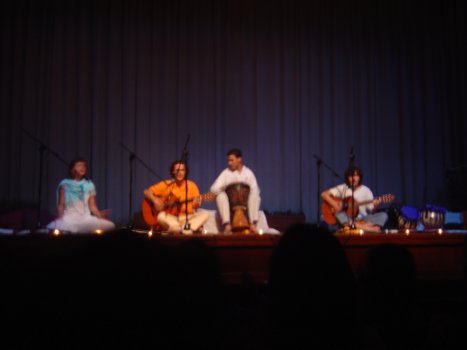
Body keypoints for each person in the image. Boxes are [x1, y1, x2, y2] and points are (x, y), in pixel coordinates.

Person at [46, 157, 115, 233]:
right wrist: (59, 219)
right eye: (79, 165)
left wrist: (100, 217)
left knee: (110, 225)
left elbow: (93, 206)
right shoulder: (64, 184)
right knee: (56, 228)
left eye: (84, 166)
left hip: (85, 218)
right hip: (70, 218)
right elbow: (61, 205)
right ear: (72, 169)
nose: (83, 167)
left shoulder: (89, 184)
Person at [143, 160, 209, 234]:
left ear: (185, 172)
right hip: (172, 218)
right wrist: (155, 200)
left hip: (187, 218)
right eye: (177, 170)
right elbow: (146, 192)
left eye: (182, 170)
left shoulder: (192, 186)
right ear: (173, 172)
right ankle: (186, 229)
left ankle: (178, 229)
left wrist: (196, 203)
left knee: (205, 214)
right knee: (160, 217)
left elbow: (196, 205)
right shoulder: (167, 184)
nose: (180, 173)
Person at [321, 165, 388, 232]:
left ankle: (358, 227)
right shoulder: (343, 188)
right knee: (339, 214)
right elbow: (324, 194)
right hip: (348, 218)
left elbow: (371, 211)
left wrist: (376, 205)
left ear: (359, 177)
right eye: (351, 176)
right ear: (348, 178)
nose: (354, 178)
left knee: (383, 215)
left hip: (363, 219)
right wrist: (335, 204)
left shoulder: (366, 190)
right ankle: (368, 228)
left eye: (356, 175)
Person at [210, 148, 261, 234]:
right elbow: (213, 189)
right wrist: (224, 187)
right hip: (230, 205)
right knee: (221, 196)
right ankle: (227, 225)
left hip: (246, 205)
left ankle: (253, 224)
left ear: (239, 159)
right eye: (228, 160)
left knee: (256, 196)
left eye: (231, 160)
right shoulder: (226, 173)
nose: (229, 163)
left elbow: (255, 189)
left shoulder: (248, 173)